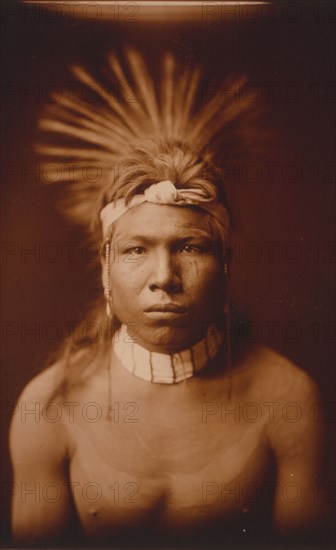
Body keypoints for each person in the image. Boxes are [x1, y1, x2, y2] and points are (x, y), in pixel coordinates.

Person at [9, 49, 327, 548]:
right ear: (106, 272)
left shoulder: (288, 399)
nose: (165, 277)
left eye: (190, 247)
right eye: (137, 249)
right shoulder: (49, 406)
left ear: (224, 267)